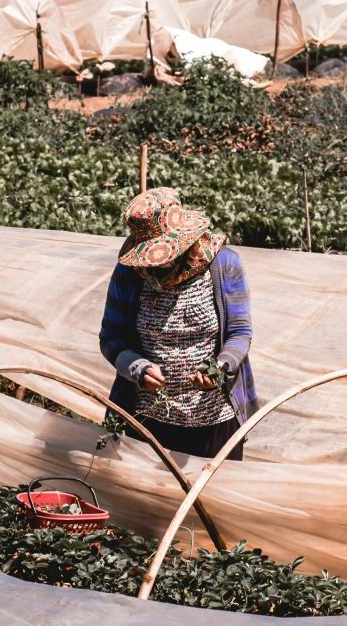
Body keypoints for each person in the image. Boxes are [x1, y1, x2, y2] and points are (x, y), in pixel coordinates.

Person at [99, 187, 257, 460]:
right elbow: (111, 337)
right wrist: (137, 367)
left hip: (214, 418)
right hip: (147, 420)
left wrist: (219, 368)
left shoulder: (224, 264)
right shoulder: (129, 273)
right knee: (147, 498)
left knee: (210, 498)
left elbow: (240, 332)